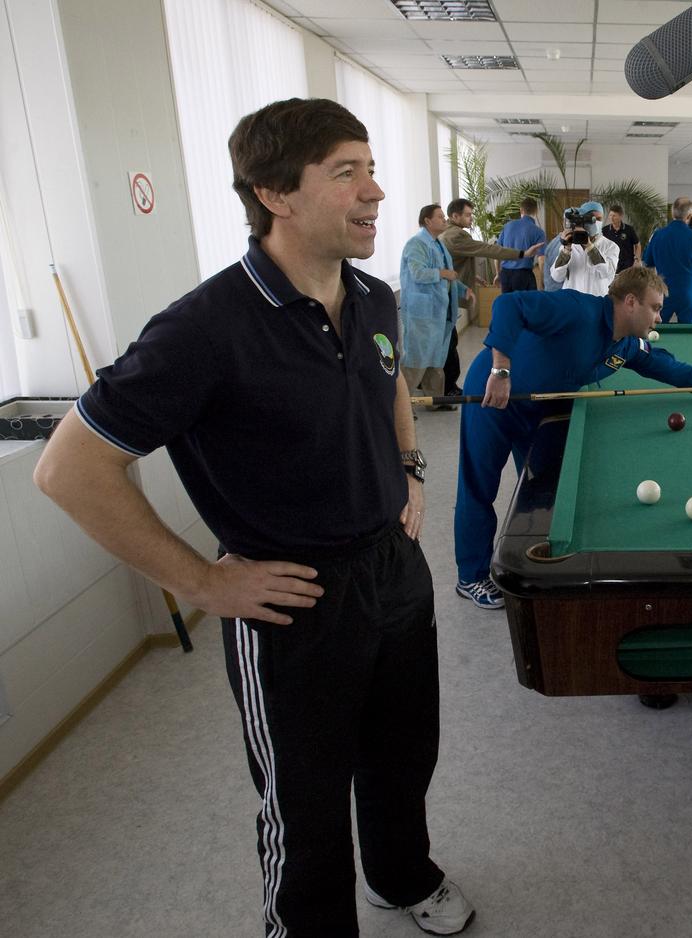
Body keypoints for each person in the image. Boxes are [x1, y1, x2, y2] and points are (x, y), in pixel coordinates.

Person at [32, 98, 475, 937]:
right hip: (290, 599)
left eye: (371, 168)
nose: (374, 191)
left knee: (402, 757)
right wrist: (199, 579)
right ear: (275, 192)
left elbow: (387, 391)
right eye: (347, 172)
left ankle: (401, 875)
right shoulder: (203, 329)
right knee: (303, 806)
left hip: (393, 571)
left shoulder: (374, 299)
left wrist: (409, 469)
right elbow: (68, 468)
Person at [453, 265, 692, 609]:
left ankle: (532, 562)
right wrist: (500, 370)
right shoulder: (577, 309)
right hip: (493, 395)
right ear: (630, 302)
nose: (659, 318)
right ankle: (471, 576)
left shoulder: (628, 346)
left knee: (538, 491)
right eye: (655, 308)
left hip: (542, 410)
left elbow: (677, 371)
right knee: (479, 485)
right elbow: (508, 305)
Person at [441, 197, 544, 393]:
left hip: (503, 276)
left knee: (504, 314)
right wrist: (522, 254)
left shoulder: (447, 233)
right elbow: (489, 249)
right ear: (455, 216)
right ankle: (448, 387)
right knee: (449, 341)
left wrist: (482, 277)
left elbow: (450, 263)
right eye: (468, 215)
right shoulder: (456, 236)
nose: (472, 219)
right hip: (520, 275)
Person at [401, 203, 472, 409]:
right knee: (416, 361)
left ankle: (434, 401)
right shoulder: (416, 244)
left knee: (435, 359)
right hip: (421, 313)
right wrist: (442, 274)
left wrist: (463, 289)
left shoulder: (438, 244)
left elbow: (449, 275)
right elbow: (418, 273)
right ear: (427, 221)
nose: (444, 220)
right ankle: (401, 407)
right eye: (440, 217)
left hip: (439, 312)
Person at [642, 196, 692, 324]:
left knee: (657, 329)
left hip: (662, 293)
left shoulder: (656, 236)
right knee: (690, 335)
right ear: (689, 216)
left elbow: (646, 263)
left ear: (672, 213)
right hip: (688, 294)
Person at [548, 200, 618, 295]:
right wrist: (566, 250)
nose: (596, 222)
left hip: (596, 301)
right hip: (572, 301)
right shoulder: (570, 243)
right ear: (582, 219)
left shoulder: (610, 246)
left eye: (599, 219)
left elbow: (608, 273)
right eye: (592, 218)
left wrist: (589, 246)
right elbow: (556, 276)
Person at [495, 196, 545, 293]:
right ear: (536, 211)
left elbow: (497, 252)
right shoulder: (538, 232)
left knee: (509, 306)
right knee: (528, 306)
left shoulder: (507, 226)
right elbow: (541, 259)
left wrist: (498, 274)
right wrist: (542, 280)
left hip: (506, 275)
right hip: (524, 275)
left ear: (521, 210)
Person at [601, 203, 641, 271]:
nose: (611, 218)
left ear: (621, 216)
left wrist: (637, 259)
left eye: (614, 216)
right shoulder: (605, 230)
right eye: (610, 215)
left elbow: (637, 244)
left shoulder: (629, 229)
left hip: (627, 265)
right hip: (611, 265)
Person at [540, 211, 569, 293]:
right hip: (560, 292)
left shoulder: (553, 242)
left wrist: (542, 281)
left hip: (550, 289)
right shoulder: (566, 245)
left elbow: (544, 262)